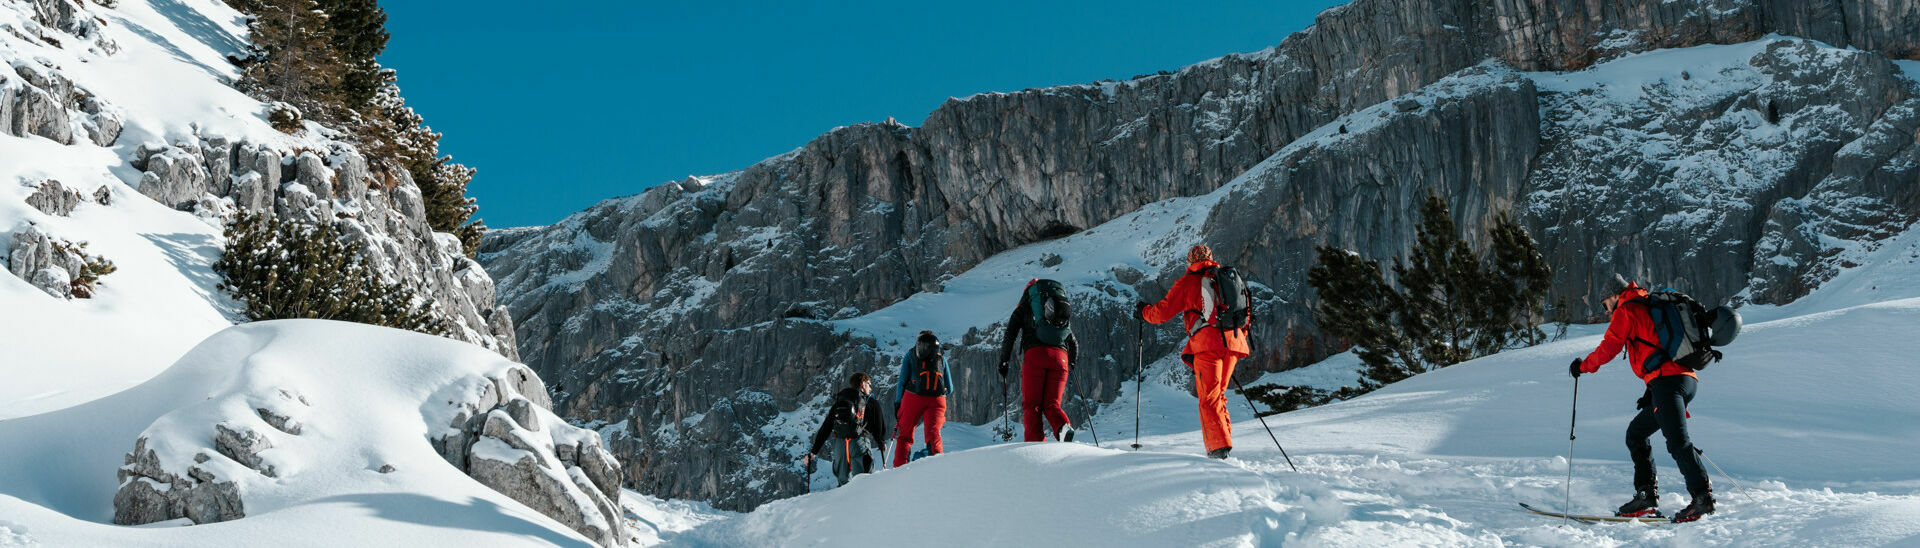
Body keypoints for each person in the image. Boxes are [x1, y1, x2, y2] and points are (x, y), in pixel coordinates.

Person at [1572, 274, 1715, 523]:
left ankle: (1702, 497)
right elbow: (1657, 347)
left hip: (1668, 383)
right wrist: (1650, 392)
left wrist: (1582, 367)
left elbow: (1609, 347)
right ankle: (1646, 495)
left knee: (1678, 442)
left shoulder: (1627, 310)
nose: (1606, 312)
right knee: (1636, 433)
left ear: (1615, 295)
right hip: (1684, 380)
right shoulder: (1648, 304)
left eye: (1605, 305)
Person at [1137, 245, 1250, 459]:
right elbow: (1244, 312)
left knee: (1208, 397)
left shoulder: (1188, 282)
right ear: (1210, 259)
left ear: (1190, 262)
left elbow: (1161, 313)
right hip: (1234, 343)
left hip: (1208, 345)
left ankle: (1218, 450)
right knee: (1218, 395)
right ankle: (1223, 442)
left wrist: (1143, 312)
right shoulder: (1228, 279)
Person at [999, 279, 1080, 442]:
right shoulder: (1057, 313)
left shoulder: (1024, 308)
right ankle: (1063, 428)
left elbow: (1010, 336)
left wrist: (1004, 361)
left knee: (1032, 405)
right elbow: (1073, 342)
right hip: (1061, 360)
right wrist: (1071, 362)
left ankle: (1035, 446)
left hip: (1035, 356)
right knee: (1052, 404)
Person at [804, 372, 889, 487]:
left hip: (840, 446)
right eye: (869, 384)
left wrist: (814, 451)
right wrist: (881, 442)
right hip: (859, 443)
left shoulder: (840, 402)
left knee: (843, 485)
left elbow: (827, 426)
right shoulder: (871, 402)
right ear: (863, 384)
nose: (871, 388)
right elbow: (878, 427)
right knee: (865, 483)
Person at [893, 331, 953, 467]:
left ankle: (899, 468)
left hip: (913, 397)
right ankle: (936, 466)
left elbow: (902, 381)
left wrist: (898, 403)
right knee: (934, 434)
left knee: (905, 437)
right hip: (937, 399)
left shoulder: (910, 355)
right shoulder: (941, 358)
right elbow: (950, 388)